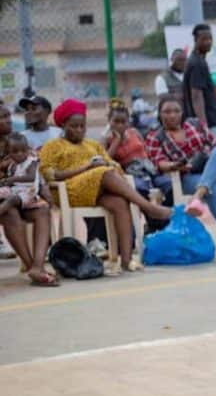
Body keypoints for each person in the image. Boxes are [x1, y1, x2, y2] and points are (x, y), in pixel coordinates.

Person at [40, 99, 173, 272]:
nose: (79, 130)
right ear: (63, 125)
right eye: (74, 126)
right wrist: (87, 167)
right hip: (69, 189)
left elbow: (114, 165)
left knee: (120, 202)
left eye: (82, 126)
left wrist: (106, 164)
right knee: (102, 172)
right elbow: (49, 174)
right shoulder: (52, 146)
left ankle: (125, 260)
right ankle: (148, 207)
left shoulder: (92, 144)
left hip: (97, 188)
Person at [145, 97, 216, 262]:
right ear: (160, 114)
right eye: (167, 112)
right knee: (213, 188)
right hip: (189, 177)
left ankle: (198, 197)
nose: (172, 115)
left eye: (176, 111)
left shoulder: (195, 125)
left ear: (182, 113)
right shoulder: (155, 137)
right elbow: (159, 163)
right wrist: (176, 165)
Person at [0, 106, 57, 285]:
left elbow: (33, 169)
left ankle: (38, 266)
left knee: (42, 210)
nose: (8, 120)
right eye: (2, 117)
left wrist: (44, 187)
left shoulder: (19, 142)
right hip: (6, 197)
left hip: (25, 194)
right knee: (10, 213)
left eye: (8, 115)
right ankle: (30, 264)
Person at [103, 101, 173, 207]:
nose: (120, 125)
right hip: (131, 174)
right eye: (116, 122)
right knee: (141, 189)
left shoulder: (134, 132)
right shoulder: (106, 139)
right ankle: (153, 219)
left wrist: (153, 165)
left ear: (128, 122)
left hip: (149, 169)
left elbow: (146, 151)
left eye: (124, 122)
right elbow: (105, 160)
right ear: (109, 121)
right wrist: (117, 140)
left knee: (168, 184)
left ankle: (166, 215)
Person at [182, 23, 216, 140]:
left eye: (210, 39)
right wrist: (203, 126)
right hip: (208, 124)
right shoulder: (197, 63)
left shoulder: (198, 60)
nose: (208, 42)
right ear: (196, 40)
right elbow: (196, 96)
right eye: (204, 39)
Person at [0, 133, 46, 218]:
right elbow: (12, 183)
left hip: (28, 193)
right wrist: (5, 182)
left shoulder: (31, 162)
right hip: (15, 190)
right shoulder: (12, 165)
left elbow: (31, 177)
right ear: (9, 153)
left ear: (28, 149)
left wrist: (12, 179)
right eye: (15, 152)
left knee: (11, 200)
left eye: (23, 150)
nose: (20, 154)